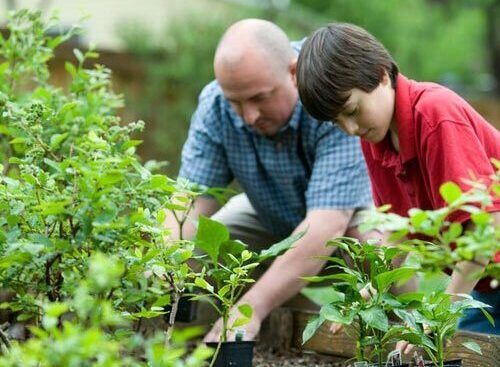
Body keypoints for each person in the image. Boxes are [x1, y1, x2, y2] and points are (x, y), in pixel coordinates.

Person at [164, 19, 373, 342]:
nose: (249, 116)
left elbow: (326, 226)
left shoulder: (329, 88)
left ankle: (404, 333)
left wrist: (251, 308)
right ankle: (302, 325)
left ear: (292, 72)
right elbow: (188, 204)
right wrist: (162, 262)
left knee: (377, 245)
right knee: (207, 247)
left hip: (346, 217)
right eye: (237, 102)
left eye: (259, 98)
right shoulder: (216, 105)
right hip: (270, 215)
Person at [295, 22, 500, 339]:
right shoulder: (374, 139)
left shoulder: (434, 114)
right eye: (337, 122)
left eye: (352, 110)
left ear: (381, 75)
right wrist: (367, 295)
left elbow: (486, 229)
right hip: (487, 284)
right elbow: (400, 231)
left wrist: (438, 318)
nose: (349, 129)